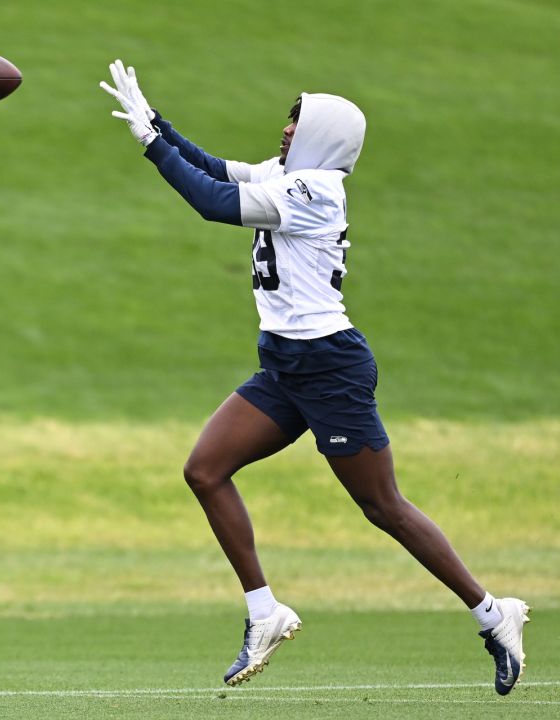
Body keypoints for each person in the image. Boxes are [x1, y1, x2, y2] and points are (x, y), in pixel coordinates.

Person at [100, 60, 530, 694]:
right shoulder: (288, 176)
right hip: (285, 362)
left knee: (382, 506)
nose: (284, 128)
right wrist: (158, 124)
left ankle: (495, 616)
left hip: (329, 365)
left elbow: (213, 203)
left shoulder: (315, 191)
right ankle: (264, 612)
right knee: (205, 469)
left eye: (297, 120)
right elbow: (220, 169)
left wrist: (150, 147)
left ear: (322, 135)